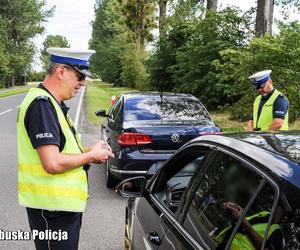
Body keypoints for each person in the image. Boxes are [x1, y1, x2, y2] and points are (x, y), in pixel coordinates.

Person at [17, 47, 114, 250]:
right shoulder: (42, 106)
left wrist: (90, 152)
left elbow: (61, 151)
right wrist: (89, 157)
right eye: (79, 76)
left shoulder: (53, 104)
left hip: (59, 209)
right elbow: (52, 163)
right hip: (51, 210)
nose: (83, 83)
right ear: (61, 71)